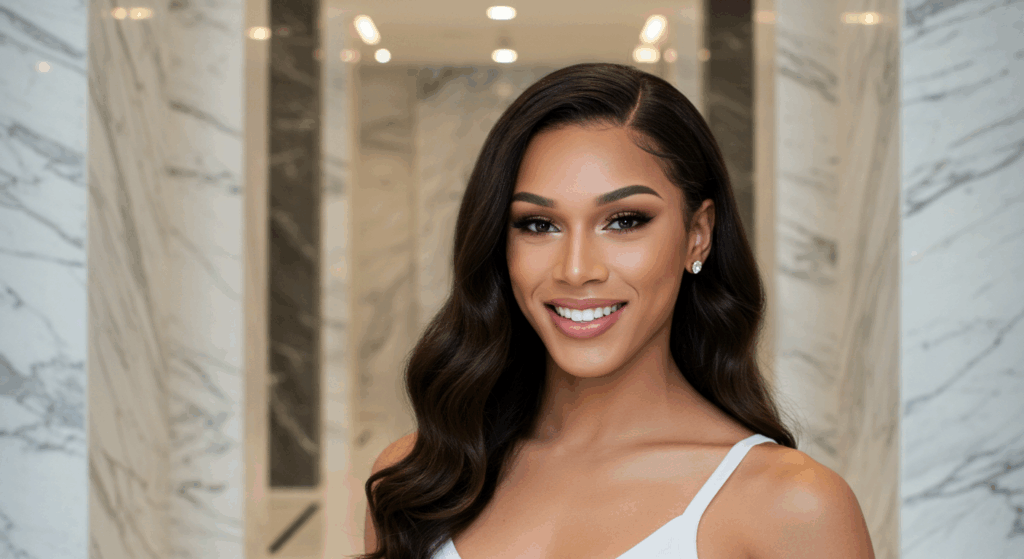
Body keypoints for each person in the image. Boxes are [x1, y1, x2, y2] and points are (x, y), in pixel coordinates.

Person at [361, 62, 874, 559]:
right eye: (539, 224)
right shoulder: (417, 481)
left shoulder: (791, 505)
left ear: (698, 235)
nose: (577, 269)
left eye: (624, 221)